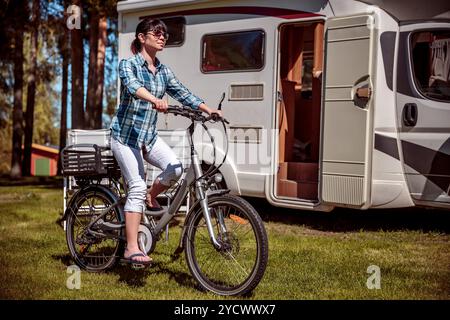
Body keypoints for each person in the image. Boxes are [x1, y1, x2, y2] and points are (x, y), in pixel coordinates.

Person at [110, 18, 222, 266]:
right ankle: (130, 248)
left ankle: (152, 195)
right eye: (157, 32)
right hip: (125, 137)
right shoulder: (128, 64)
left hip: (147, 137)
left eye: (165, 34)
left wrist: (208, 109)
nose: (162, 37)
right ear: (142, 37)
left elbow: (182, 92)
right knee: (136, 186)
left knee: (176, 169)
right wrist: (154, 100)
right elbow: (132, 87)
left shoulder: (163, 71)